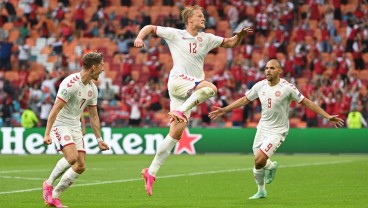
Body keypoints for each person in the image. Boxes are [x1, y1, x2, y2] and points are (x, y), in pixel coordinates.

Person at [134, 5, 253, 196]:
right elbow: (149, 27)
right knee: (211, 88)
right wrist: (140, 37)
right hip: (178, 81)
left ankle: (151, 172)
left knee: (176, 134)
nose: (203, 18)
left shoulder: (207, 38)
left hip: (188, 91)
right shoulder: (175, 34)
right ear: (189, 20)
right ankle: (180, 111)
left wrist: (239, 36)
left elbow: (230, 43)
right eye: (200, 16)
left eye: (203, 16)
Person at [209, 59, 344, 199]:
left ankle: (270, 167)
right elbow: (244, 99)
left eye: (272, 68)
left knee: (259, 159)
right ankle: (262, 189)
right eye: (266, 68)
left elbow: (307, 102)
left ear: (279, 71)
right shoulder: (260, 86)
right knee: (258, 162)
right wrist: (225, 109)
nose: (268, 70)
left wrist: (327, 116)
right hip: (262, 128)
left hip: (278, 131)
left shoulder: (287, 88)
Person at [42, 52, 110, 207]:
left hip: (75, 125)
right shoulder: (70, 83)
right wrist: (47, 133)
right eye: (101, 66)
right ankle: (48, 183)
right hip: (60, 123)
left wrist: (99, 140)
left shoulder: (92, 89)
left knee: (80, 166)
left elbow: (93, 116)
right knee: (72, 158)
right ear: (93, 67)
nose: (103, 70)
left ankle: (55, 195)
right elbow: (55, 109)